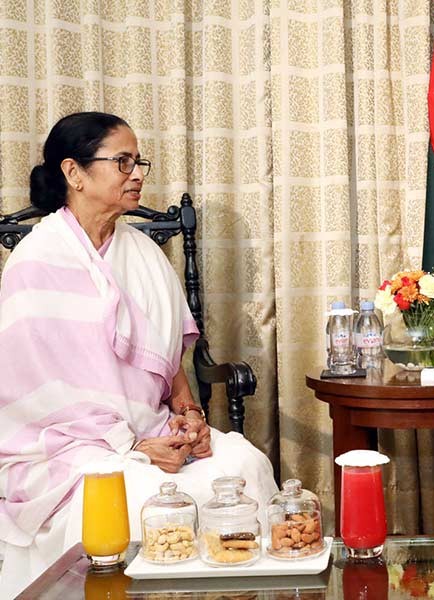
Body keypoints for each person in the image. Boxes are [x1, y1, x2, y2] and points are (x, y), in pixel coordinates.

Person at [0, 112, 278, 595]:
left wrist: (188, 416)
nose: (138, 173)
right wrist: (132, 450)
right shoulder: (35, 260)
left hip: (151, 429)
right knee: (138, 495)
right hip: (67, 449)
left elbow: (168, 362)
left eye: (138, 161)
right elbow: (32, 396)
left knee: (243, 465)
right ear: (74, 173)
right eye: (123, 161)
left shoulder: (145, 254)